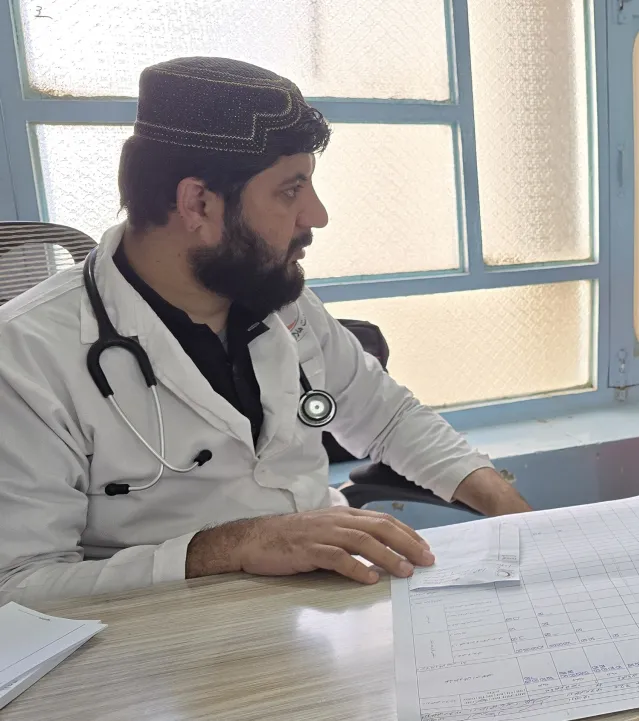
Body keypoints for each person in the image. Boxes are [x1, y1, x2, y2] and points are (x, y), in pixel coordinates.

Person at [0, 57, 532, 606]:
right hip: (161, 647)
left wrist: (512, 511)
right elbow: (17, 585)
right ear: (198, 203)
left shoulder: (279, 297)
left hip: (326, 605)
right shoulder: (26, 357)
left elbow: (387, 417)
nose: (317, 215)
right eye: (290, 190)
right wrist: (226, 547)